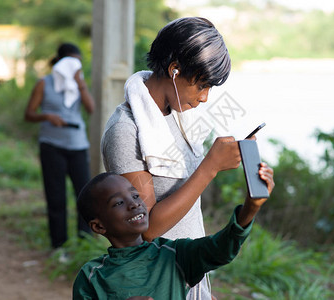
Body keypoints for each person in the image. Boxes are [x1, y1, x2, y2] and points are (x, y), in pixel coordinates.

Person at [101, 17, 246, 299]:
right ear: (175, 70)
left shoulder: (179, 119)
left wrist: (200, 287)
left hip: (186, 272)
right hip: (157, 282)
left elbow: (187, 212)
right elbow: (148, 229)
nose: (205, 98)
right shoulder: (125, 131)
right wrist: (210, 167)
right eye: (202, 85)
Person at [73, 164, 274, 299]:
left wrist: (251, 207)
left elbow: (220, 248)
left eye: (135, 195)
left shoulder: (173, 254)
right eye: (118, 202)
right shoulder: (92, 276)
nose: (134, 204)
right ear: (99, 226)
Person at [24, 42, 95, 251]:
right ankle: (59, 246)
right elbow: (28, 114)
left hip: (78, 145)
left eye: (79, 64)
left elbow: (91, 108)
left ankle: (84, 244)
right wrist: (46, 116)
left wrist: (80, 83)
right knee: (56, 196)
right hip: (52, 145)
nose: (76, 67)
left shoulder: (78, 84)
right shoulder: (43, 84)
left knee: (85, 195)